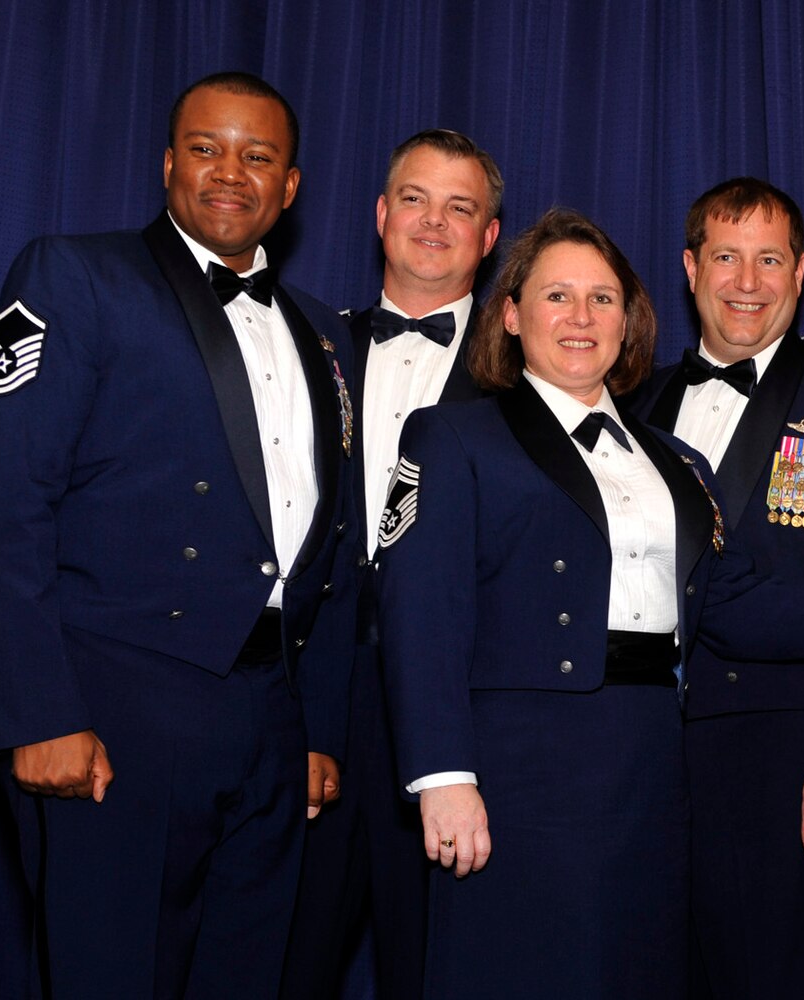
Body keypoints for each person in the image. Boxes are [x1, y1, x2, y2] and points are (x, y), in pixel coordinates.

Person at [0, 71, 358, 998]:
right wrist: (39, 712)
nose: (230, 172)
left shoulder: (325, 333)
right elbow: (0, 505)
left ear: (290, 187)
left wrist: (318, 731)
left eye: (258, 157)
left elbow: (331, 555)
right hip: (116, 712)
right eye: (206, 148)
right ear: (167, 161)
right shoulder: (75, 275)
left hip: (273, 722)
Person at [378, 207, 740, 998]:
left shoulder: (681, 460)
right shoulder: (453, 437)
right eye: (556, 297)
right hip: (517, 766)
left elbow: (730, 605)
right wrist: (443, 776)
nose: (581, 318)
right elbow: (419, 615)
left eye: (603, 299)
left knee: (637, 971)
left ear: (630, 319)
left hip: (649, 759)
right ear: (509, 315)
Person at [627, 177, 804, 999]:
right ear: (689, 267)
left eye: (770, 259)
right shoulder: (633, 403)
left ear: (802, 272)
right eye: (725, 257)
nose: (747, 282)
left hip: (782, 758)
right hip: (643, 754)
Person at [284, 127, 502, 999]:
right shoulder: (299, 349)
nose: (434, 223)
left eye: (462, 208)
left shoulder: (529, 380)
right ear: (380, 215)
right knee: (284, 958)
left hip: (458, 717)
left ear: (490, 238)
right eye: (415, 199)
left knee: (441, 966)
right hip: (313, 718)